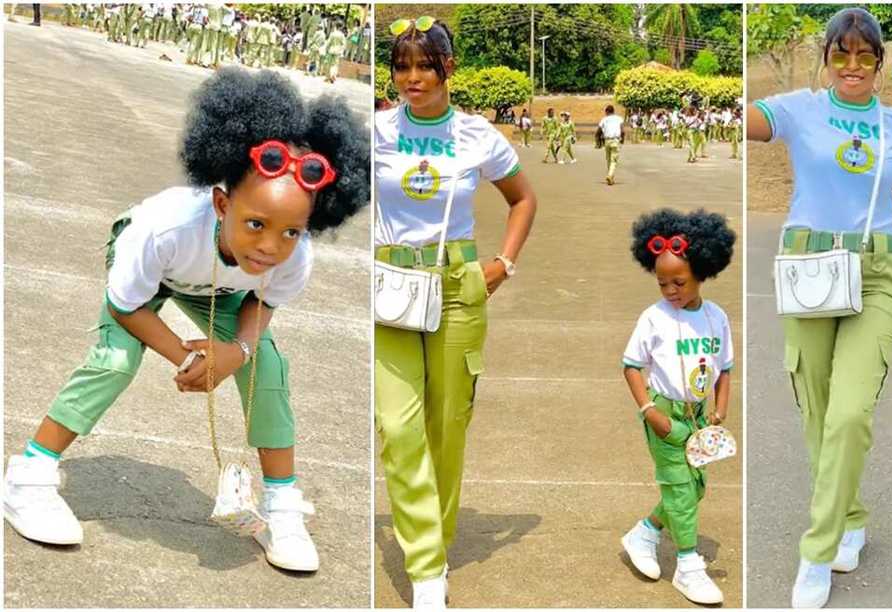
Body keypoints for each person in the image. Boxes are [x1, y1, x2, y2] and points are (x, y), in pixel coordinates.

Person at [1, 68, 370, 573]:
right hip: (153, 278)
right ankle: (29, 473)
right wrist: (189, 356)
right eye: (256, 224)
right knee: (116, 358)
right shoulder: (165, 230)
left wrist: (235, 353)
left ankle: (281, 506)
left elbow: (261, 306)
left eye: (290, 232)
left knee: (267, 368)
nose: (269, 246)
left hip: (219, 288)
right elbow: (123, 304)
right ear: (222, 204)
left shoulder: (293, 257)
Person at [746, 7, 892, 608]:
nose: (852, 65)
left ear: (880, 62)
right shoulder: (799, 109)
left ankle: (816, 553)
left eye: (865, 55)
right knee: (817, 413)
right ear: (826, 59)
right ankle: (852, 515)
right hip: (809, 269)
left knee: (848, 413)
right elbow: (744, 122)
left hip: (877, 274)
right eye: (840, 54)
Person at [375, 16, 537, 609]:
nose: (412, 78)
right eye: (402, 66)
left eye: (424, 65)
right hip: (392, 283)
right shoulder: (376, 131)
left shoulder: (477, 135)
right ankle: (425, 568)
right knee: (398, 426)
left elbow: (523, 198)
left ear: (448, 68)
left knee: (447, 425)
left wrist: (502, 263)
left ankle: (435, 546)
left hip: (458, 284)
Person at [620, 209, 736, 606]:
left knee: (695, 487)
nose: (670, 290)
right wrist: (650, 412)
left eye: (679, 282)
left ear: (703, 271)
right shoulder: (653, 319)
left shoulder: (716, 317)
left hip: (701, 416)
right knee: (681, 491)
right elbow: (632, 365)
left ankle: (646, 532)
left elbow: (726, 370)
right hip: (665, 416)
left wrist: (720, 411)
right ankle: (688, 566)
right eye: (662, 282)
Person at [598, 104, 624, 185]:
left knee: (608, 159)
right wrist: (622, 139)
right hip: (615, 141)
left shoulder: (604, 119)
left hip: (607, 141)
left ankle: (611, 177)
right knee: (614, 160)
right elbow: (622, 131)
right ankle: (610, 175)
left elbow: (598, 130)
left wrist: (598, 140)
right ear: (613, 111)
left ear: (607, 112)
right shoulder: (619, 119)